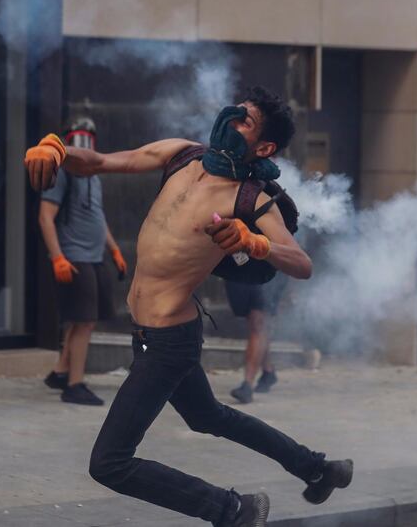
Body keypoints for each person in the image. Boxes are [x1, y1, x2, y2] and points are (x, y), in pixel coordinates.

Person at [24, 86, 353, 526]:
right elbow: (102, 162)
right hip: (146, 335)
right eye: (234, 113)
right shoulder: (183, 155)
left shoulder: (251, 198)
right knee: (208, 416)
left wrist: (257, 242)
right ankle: (318, 468)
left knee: (110, 463)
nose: (231, 121)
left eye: (245, 122)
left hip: (170, 343)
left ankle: (232, 510)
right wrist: (58, 151)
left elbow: (302, 263)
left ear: (264, 146)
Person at [39, 118, 128, 405]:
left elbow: (97, 218)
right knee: (84, 321)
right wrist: (58, 258)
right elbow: (45, 217)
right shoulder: (61, 173)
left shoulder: (95, 176)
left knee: (80, 320)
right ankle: (74, 385)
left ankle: (61, 371)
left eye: (89, 137)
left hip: (94, 256)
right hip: (73, 256)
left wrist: (114, 250)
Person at [226, 275, 288, 404]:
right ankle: (268, 371)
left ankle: (247, 384)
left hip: (269, 268)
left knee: (257, 322)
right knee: (254, 322)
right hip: (237, 268)